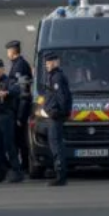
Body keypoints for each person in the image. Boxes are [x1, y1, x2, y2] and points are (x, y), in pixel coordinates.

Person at [0, 60, 24, 183]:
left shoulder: (9, 81)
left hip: (6, 116)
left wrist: (6, 92)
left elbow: (17, 90)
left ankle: (16, 171)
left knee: (9, 145)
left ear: (2, 70)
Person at [41, 52, 72, 186]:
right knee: (55, 144)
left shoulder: (57, 78)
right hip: (53, 115)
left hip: (55, 116)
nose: (47, 65)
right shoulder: (54, 76)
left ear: (54, 62)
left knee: (56, 145)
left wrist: (58, 112)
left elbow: (62, 97)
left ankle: (60, 175)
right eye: (46, 63)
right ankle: (59, 172)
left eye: (48, 63)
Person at [7, 40, 33, 171]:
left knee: (21, 140)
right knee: (19, 139)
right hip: (18, 108)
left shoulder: (19, 66)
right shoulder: (18, 64)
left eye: (8, 51)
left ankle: (25, 165)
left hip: (20, 109)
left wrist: (20, 116)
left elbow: (23, 93)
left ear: (12, 52)